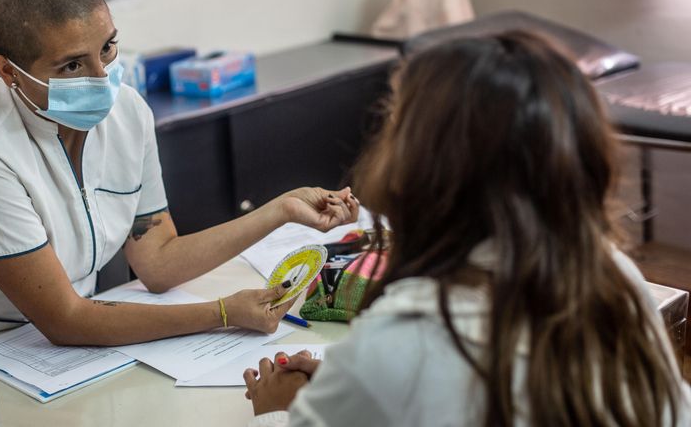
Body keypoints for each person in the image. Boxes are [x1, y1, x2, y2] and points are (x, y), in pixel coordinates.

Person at [0, 0, 359, 370]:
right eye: (72, 64)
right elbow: (67, 319)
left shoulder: (127, 113)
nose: (101, 77)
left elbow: (157, 261)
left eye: (108, 48)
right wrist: (223, 313)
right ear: (9, 72)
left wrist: (279, 211)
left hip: (40, 360)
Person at [242, 32, 691, 426]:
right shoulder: (615, 277)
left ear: (420, 170)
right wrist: (354, 388)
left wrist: (278, 409)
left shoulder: (403, 344)